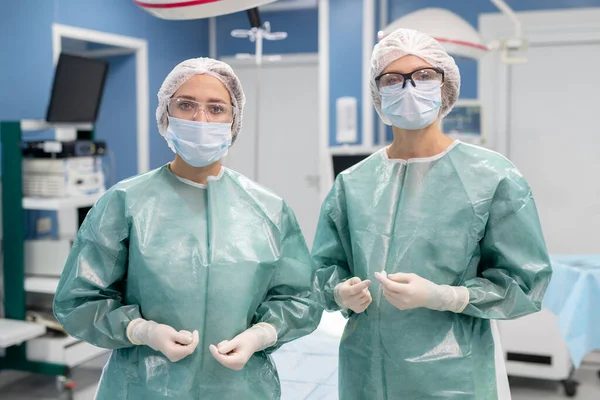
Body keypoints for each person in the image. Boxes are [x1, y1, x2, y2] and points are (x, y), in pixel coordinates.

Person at [53, 57, 322, 399]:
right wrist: (141, 330)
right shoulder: (125, 203)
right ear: (166, 115)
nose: (201, 119)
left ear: (233, 120)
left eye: (216, 108)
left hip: (240, 388)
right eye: (186, 105)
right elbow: (78, 300)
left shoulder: (268, 209)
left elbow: (300, 298)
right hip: (143, 387)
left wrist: (261, 334)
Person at [312, 29, 552, 399]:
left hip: (454, 375)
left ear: (446, 86)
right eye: (393, 79)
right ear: (378, 92)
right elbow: (323, 271)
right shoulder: (353, 183)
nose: (409, 88)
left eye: (424, 75)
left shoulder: (492, 176)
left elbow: (523, 283)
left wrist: (446, 296)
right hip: (365, 370)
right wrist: (339, 293)